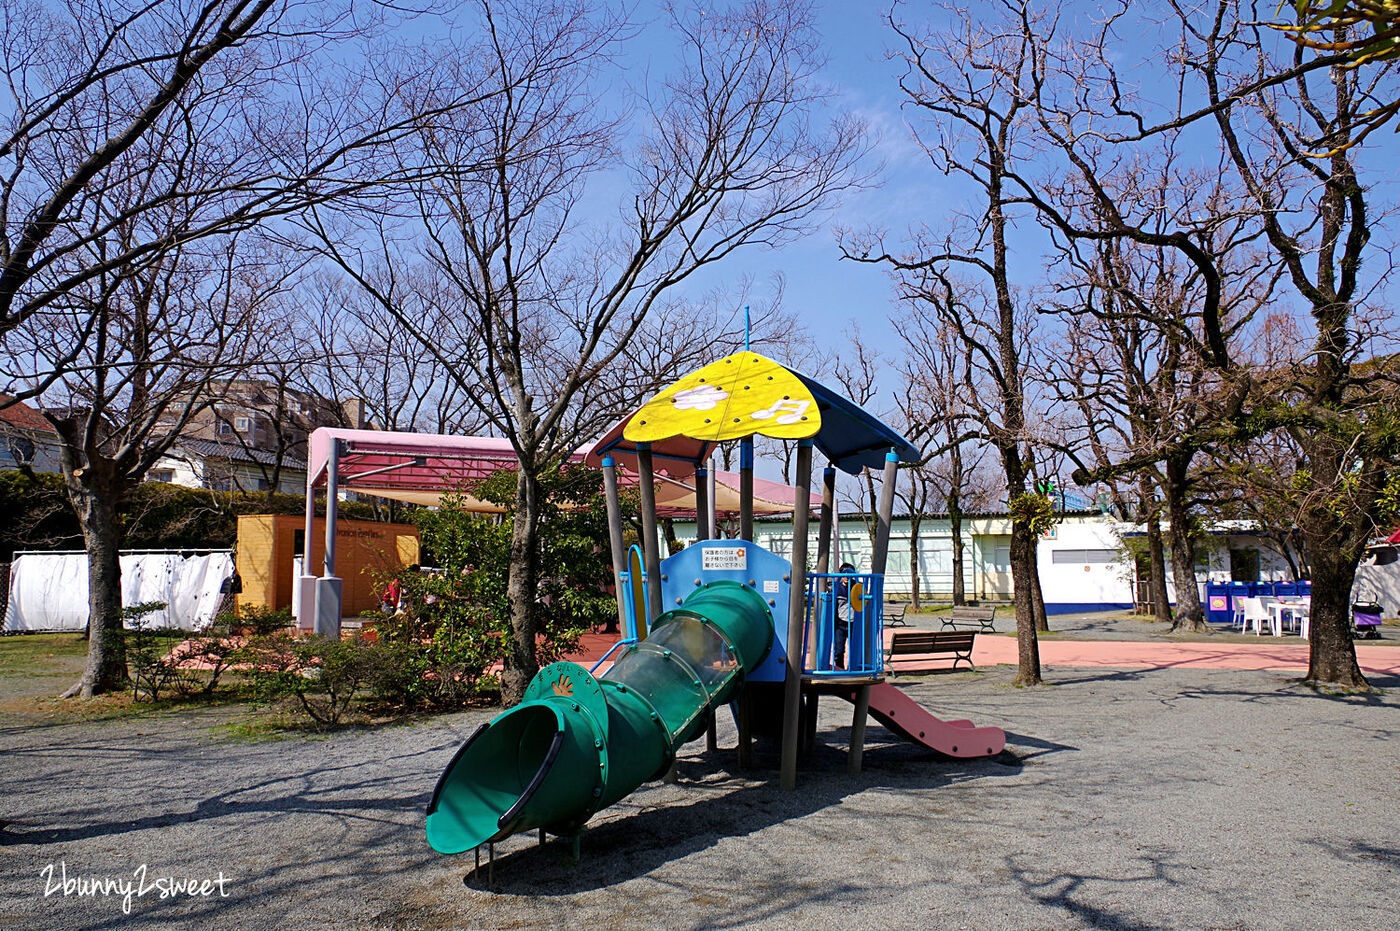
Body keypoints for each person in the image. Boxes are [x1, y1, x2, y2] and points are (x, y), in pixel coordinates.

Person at [834, 561, 856, 670]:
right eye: (844, 574)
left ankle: (852, 668)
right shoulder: (836, 589)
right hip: (840, 623)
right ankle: (840, 669)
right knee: (839, 650)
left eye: (849, 574)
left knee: (854, 648)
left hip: (853, 623)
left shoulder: (856, 588)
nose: (847, 577)